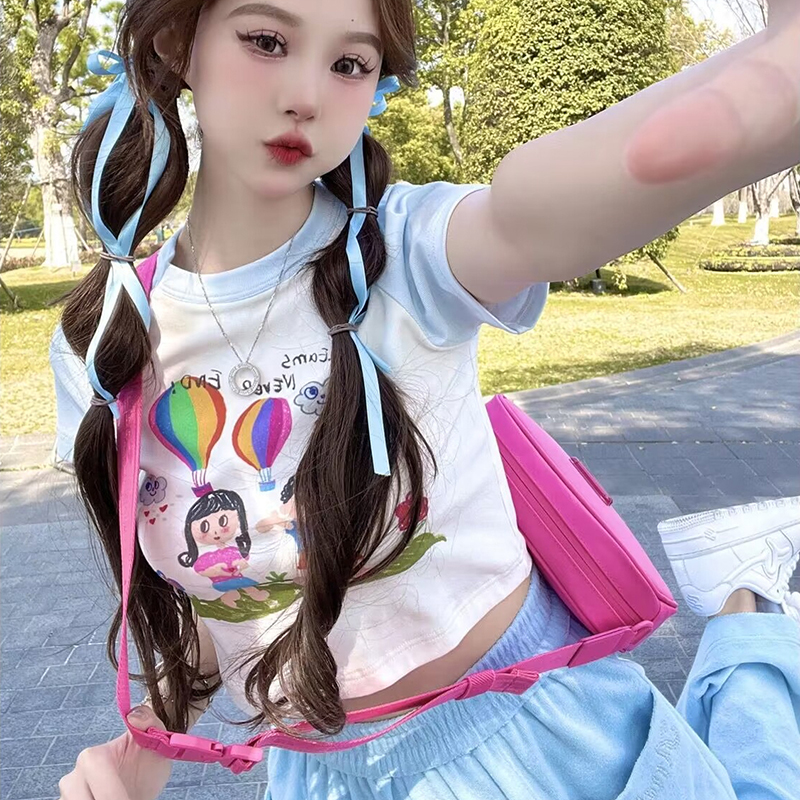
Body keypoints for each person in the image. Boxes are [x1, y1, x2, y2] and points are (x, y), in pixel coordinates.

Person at [51, 0, 800, 797]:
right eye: (266, 41)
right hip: (321, 775)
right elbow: (214, 603)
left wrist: (777, 78)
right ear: (177, 41)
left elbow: (533, 214)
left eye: (350, 63)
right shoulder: (104, 344)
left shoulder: (407, 254)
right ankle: (748, 611)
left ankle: (747, 620)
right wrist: (151, 739)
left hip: (536, 736)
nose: (306, 95)